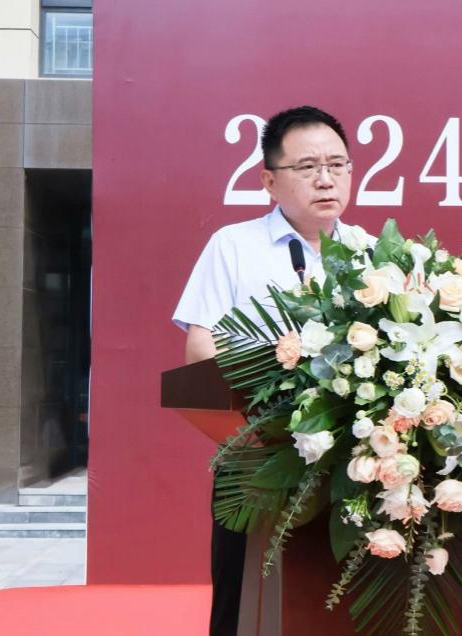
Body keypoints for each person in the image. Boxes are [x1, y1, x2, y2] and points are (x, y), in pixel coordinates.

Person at [172, 106, 363, 636]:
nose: (325, 179)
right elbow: (201, 349)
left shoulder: (372, 254)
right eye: (307, 167)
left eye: (337, 165)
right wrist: (262, 424)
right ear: (269, 182)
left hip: (351, 469)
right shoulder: (234, 246)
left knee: (343, 604)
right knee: (246, 605)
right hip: (258, 461)